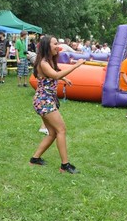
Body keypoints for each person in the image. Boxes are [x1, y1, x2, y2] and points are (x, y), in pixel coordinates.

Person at [29, 35, 86, 173]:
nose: (58, 46)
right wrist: (76, 65)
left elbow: (53, 74)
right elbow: (55, 75)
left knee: (53, 133)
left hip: (45, 100)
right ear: (47, 46)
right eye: (55, 44)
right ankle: (65, 165)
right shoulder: (43, 62)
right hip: (44, 101)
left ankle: (35, 159)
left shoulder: (48, 61)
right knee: (61, 130)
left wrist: (64, 78)